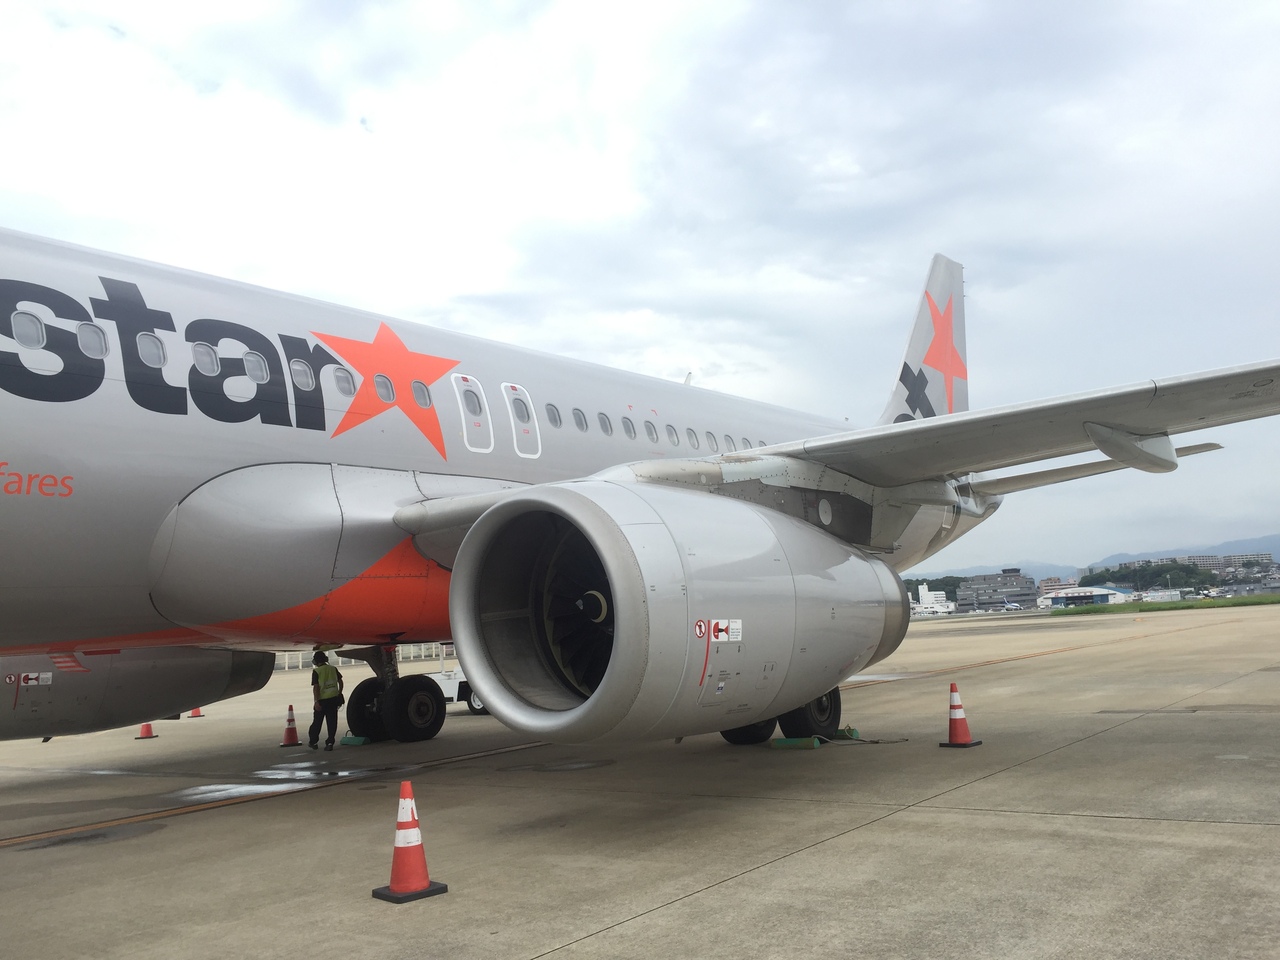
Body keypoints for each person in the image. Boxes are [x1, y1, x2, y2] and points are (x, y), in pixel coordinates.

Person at [308, 651, 345, 751]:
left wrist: (316, 701)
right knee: (332, 722)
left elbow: (316, 687)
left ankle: (313, 741)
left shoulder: (316, 671)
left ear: (315, 661)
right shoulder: (333, 669)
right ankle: (330, 742)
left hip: (322, 701)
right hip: (333, 700)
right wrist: (339, 692)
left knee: (317, 723)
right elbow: (340, 681)